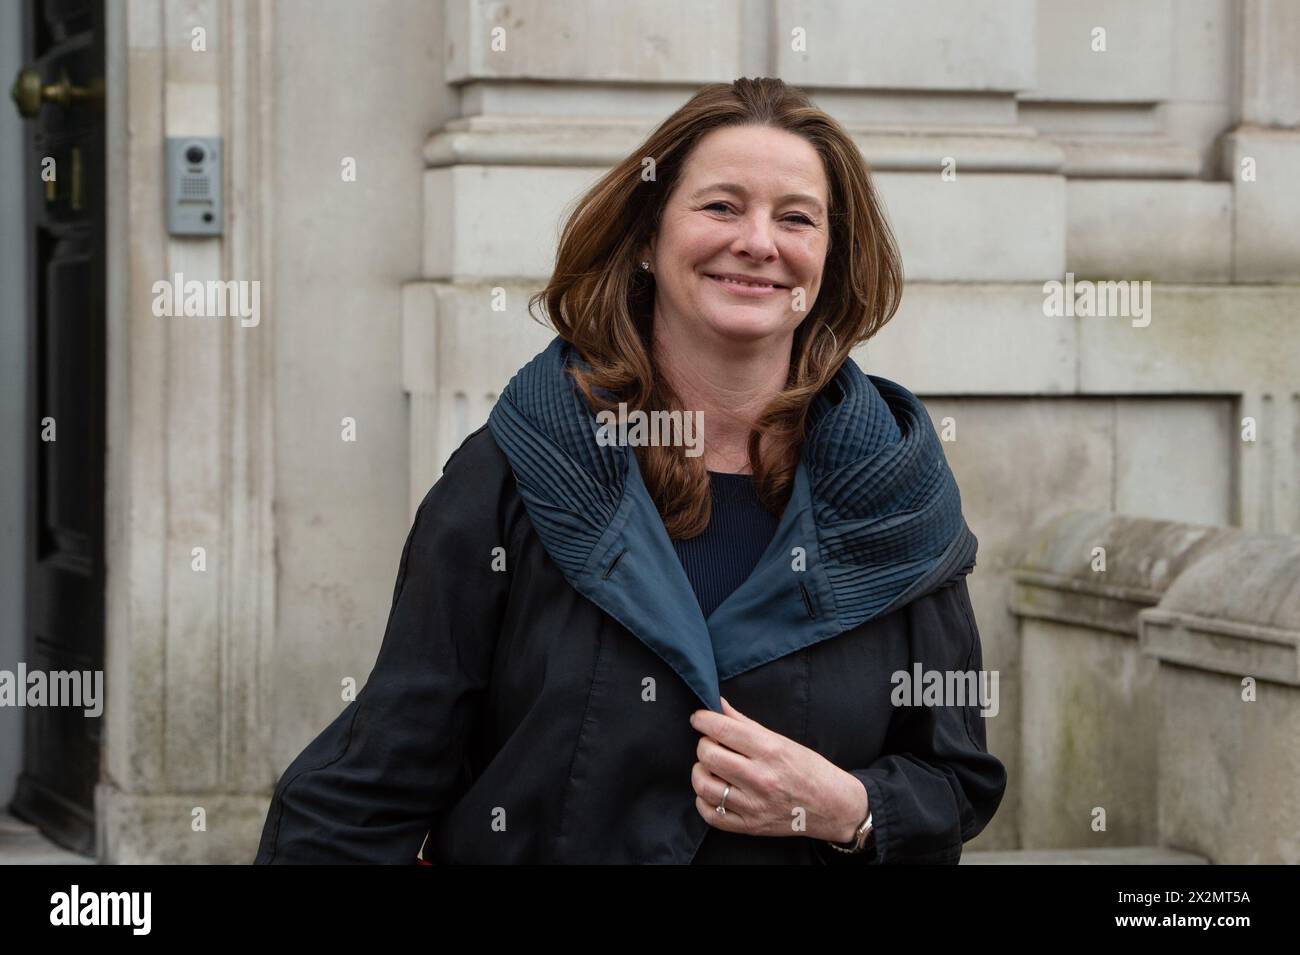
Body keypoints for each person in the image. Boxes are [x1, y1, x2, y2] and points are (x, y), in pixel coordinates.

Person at [254, 76, 1006, 864]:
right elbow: (382, 770)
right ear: (648, 237)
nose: (758, 241)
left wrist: (851, 807)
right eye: (720, 206)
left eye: (796, 218)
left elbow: (954, 779)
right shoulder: (519, 470)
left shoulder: (894, 492)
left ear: (829, 258)